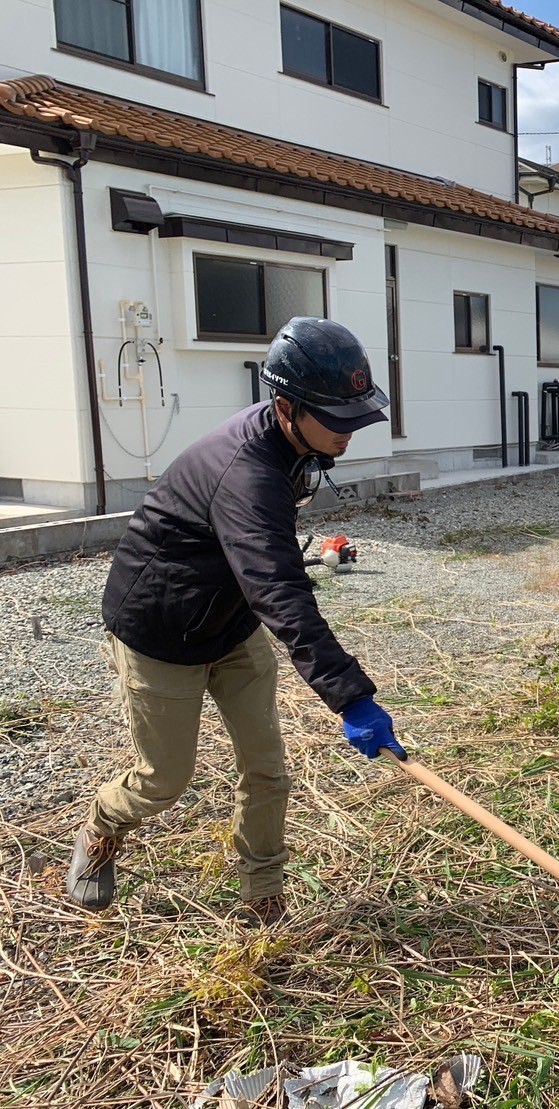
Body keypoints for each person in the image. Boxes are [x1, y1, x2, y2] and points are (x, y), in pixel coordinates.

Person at [65, 317, 406, 923]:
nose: (349, 431)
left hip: (230, 623)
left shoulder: (291, 441)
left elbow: (263, 576)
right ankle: (102, 825)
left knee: (267, 769)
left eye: (356, 415)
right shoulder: (246, 472)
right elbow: (280, 589)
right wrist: (351, 697)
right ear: (286, 407)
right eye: (337, 418)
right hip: (161, 631)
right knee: (164, 780)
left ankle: (261, 893)